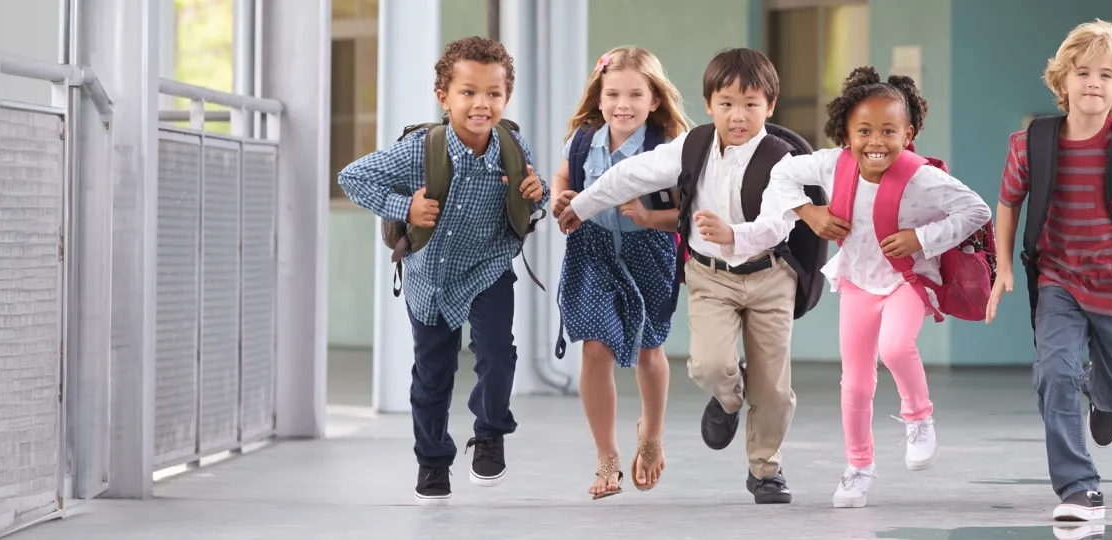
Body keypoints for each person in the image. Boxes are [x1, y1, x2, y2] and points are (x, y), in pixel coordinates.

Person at [557, 47, 814, 504]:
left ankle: (765, 470)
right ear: (710, 103)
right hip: (712, 277)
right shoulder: (691, 145)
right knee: (709, 365)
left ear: (770, 107)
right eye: (726, 104)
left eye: (751, 104)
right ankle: (729, 397)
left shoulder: (783, 158)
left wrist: (734, 233)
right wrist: (580, 205)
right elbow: (630, 175)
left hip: (769, 276)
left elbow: (779, 224)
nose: (738, 116)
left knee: (773, 389)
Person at [736, 67, 989, 508]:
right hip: (856, 281)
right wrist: (810, 213)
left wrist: (921, 239)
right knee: (854, 384)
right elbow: (782, 174)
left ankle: (919, 418)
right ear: (846, 133)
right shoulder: (834, 165)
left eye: (889, 131)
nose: (876, 141)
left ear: (908, 133)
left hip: (906, 280)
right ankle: (858, 467)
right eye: (864, 131)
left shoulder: (923, 178)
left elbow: (976, 210)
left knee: (895, 348)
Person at [985, 20, 1112, 522]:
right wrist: (1004, 265)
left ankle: (1106, 395)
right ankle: (1078, 486)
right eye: (1083, 71)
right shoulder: (1033, 142)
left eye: (1107, 74)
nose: (1094, 82)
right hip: (1059, 279)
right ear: (1061, 80)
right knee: (1055, 371)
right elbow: (1008, 202)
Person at [336, 36, 544, 502]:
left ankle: (490, 432)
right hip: (430, 276)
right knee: (433, 374)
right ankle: (432, 462)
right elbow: (351, 176)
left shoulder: (512, 144)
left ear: (506, 96)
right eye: (468, 92)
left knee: (497, 354)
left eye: (493, 93)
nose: (481, 104)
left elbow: (535, 191)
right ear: (443, 97)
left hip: (489, 265)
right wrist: (403, 206)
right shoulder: (419, 150)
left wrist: (537, 191)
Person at [547, 46, 689, 499]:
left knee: (650, 352)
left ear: (655, 101)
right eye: (613, 94)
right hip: (591, 251)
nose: (622, 105)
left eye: (635, 95)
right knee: (594, 349)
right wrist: (560, 196)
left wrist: (649, 218)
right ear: (599, 96)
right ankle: (607, 458)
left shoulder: (667, 148)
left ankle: (651, 437)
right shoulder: (584, 139)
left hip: (649, 251)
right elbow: (563, 176)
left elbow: (688, 212)